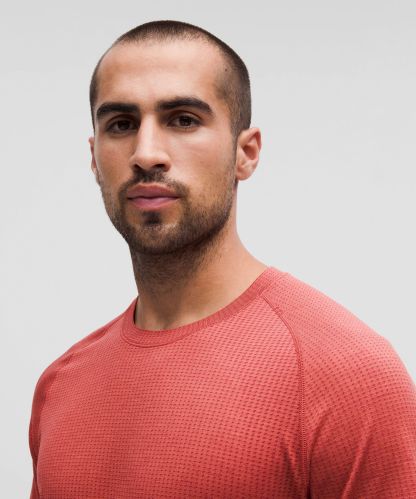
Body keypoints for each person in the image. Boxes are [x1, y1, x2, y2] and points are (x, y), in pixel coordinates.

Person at [28, 20, 416, 498]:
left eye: (183, 120)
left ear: (245, 153)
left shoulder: (347, 377)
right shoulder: (61, 386)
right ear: (94, 158)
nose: (146, 154)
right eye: (121, 125)